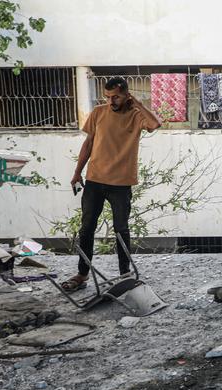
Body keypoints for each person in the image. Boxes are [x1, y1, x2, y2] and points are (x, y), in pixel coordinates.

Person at [62, 77, 162, 291]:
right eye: (108, 97)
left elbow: (155, 124)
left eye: (115, 96)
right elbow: (88, 144)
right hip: (95, 180)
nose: (111, 101)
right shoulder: (98, 112)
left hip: (121, 183)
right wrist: (77, 173)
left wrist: (139, 105)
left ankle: (125, 274)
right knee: (86, 228)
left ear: (127, 94)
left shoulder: (136, 116)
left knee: (121, 229)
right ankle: (82, 274)